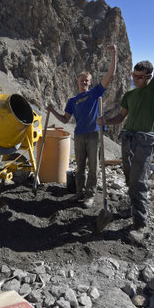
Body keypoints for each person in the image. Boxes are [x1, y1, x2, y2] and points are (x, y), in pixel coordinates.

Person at [97, 17, 154, 242]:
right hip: (127, 138)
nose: (135, 79)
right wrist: (104, 121)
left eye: (140, 77)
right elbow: (121, 117)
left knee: (139, 181)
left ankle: (141, 224)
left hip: (145, 140)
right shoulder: (130, 94)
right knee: (130, 177)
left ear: (149, 77)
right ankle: (132, 208)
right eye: (133, 76)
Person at [47, 44, 117, 209]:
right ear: (78, 82)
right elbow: (65, 120)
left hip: (94, 134)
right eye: (82, 80)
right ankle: (79, 192)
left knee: (93, 167)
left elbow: (110, 75)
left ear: (90, 82)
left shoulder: (94, 93)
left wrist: (113, 54)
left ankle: (89, 196)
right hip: (79, 135)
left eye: (87, 80)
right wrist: (52, 111)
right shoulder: (72, 100)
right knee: (79, 167)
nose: (84, 82)